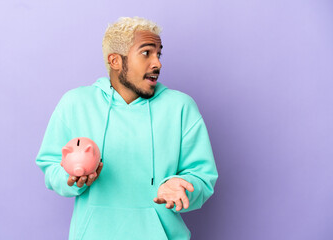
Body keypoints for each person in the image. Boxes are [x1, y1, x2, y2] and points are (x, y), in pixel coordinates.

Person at [36, 16, 218, 240]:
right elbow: (51, 164)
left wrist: (183, 186)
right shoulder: (75, 103)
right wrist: (71, 178)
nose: (157, 63)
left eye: (158, 54)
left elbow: (202, 176)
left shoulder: (180, 107)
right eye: (146, 53)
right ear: (115, 61)